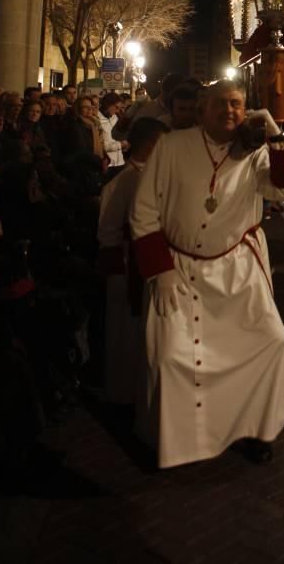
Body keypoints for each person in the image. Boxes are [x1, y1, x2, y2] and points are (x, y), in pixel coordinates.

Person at [129, 80, 284, 468]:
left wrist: (274, 134)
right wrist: (161, 270)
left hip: (236, 272)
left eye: (238, 105)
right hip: (179, 268)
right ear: (203, 110)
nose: (230, 111)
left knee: (272, 347)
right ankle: (181, 440)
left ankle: (254, 430)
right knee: (173, 360)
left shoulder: (256, 152)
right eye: (222, 104)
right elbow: (143, 211)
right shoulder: (173, 146)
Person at [98, 118, 169, 405]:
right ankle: (125, 392)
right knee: (127, 334)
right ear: (150, 145)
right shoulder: (123, 182)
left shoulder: (154, 176)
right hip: (130, 268)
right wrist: (117, 275)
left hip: (150, 265)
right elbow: (109, 230)